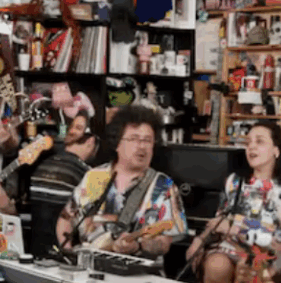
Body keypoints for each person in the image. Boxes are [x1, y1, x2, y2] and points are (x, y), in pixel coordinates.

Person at [185, 121, 281, 283]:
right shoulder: (235, 182)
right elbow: (220, 221)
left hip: (266, 257)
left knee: (250, 272)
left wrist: (237, 229)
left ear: (276, 151)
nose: (251, 147)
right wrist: (200, 239)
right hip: (227, 249)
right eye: (248, 142)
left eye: (259, 141)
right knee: (217, 266)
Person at [56, 105, 187, 258]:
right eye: (133, 139)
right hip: (86, 264)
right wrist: (68, 252)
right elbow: (66, 219)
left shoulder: (164, 186)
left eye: (147, 140)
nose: (141, 146)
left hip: (137, 269)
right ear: (117, 143)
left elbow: (164, 243)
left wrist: (138, 245)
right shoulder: (93, 176)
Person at [28, 116, 99, 256]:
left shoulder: (42, 165)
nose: (72, 130)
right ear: (91, 142)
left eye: (77, 128)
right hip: (65, 255)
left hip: (35, 251)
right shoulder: (88, 175)